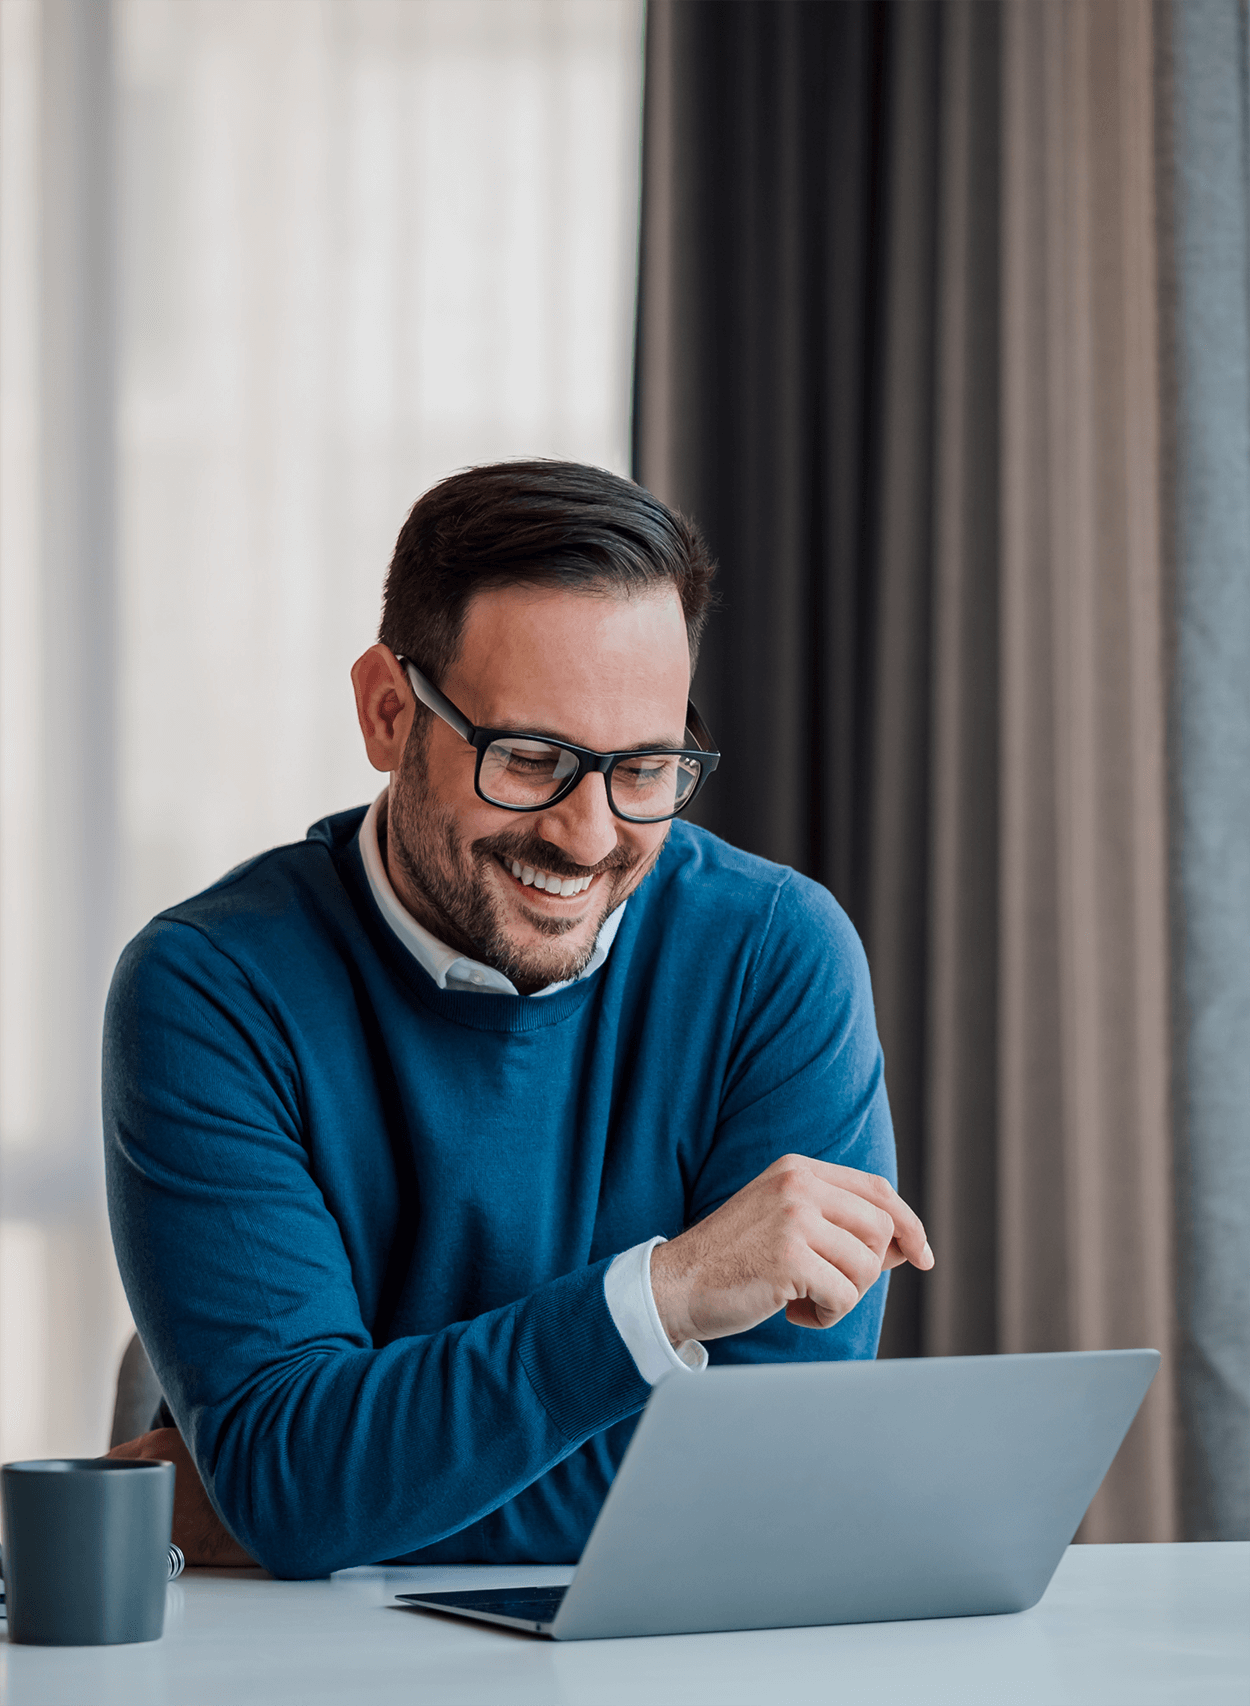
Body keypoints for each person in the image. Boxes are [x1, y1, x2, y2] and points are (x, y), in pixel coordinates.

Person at [104, 461, 933, 1578]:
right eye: (530, 760)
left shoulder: (774, 955)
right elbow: (294, 1476)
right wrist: (664, 1295)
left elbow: (769, 1479)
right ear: (389, 712)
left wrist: (298, 1501)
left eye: (643, 767)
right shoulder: (210, 989)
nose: (588, 836)